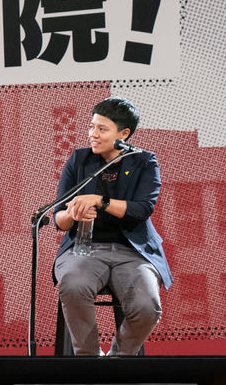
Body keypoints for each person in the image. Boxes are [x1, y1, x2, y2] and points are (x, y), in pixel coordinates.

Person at [53, 96, 171, 356]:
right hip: (83, 250)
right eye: (91, 126)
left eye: (102, 129)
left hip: (133, 252)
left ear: (123, 134)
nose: (93, 134)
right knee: (73, 286)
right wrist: (73, 213)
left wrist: (100, 201)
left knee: (147, 306)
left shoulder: (144, 162)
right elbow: (58, 219)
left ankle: (118, 359)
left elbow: (141, 210)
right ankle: (89, 360)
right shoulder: (79, 159)